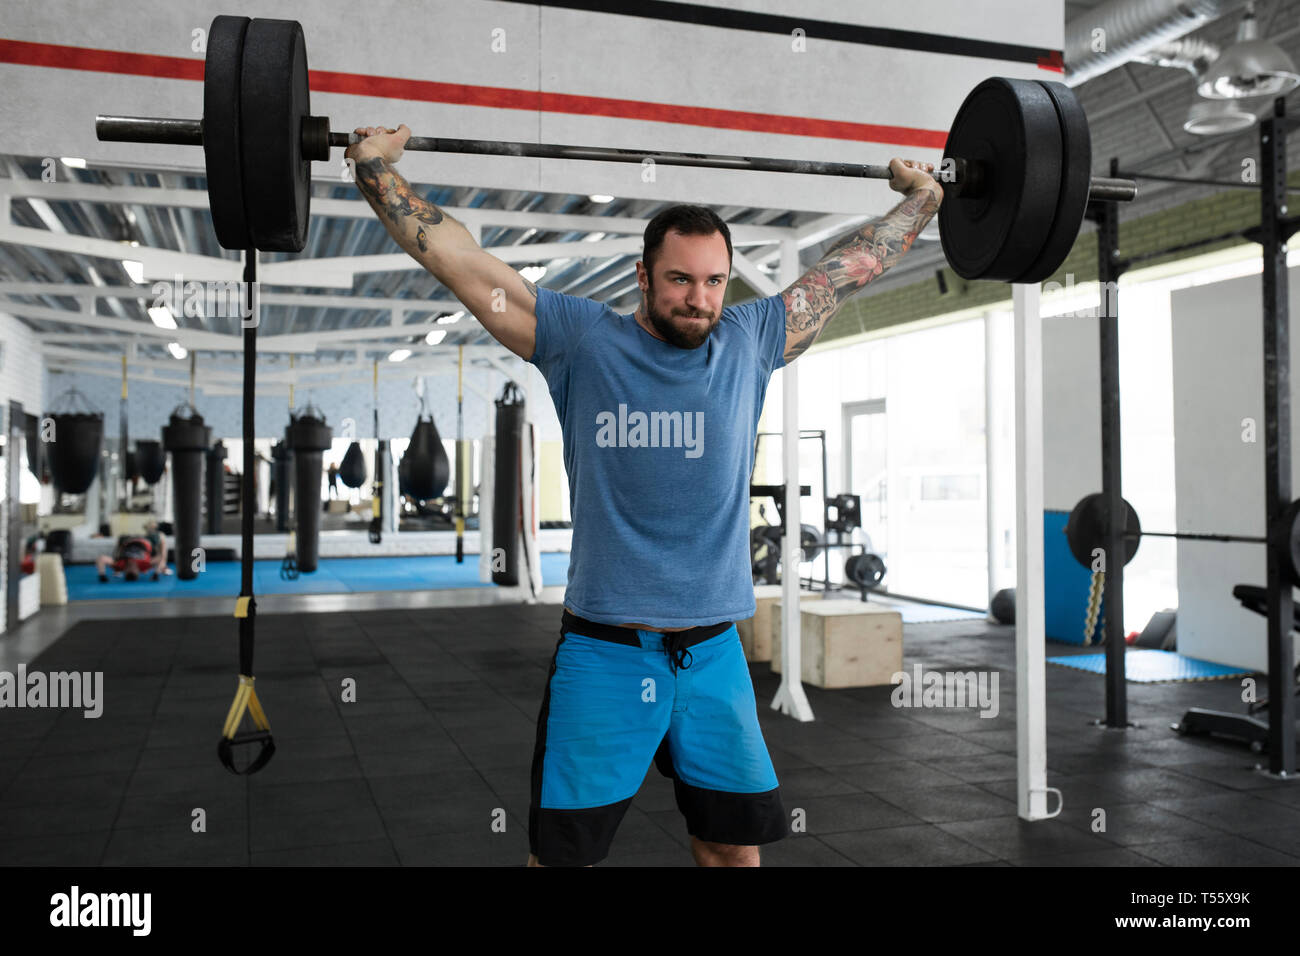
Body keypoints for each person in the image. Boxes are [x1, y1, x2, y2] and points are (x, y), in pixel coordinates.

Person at [348, 125, 942, 867]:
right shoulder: (579, 341)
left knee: (732, 852)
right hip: (605, 655)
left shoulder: (751, 340)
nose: (700, 300)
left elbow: (848, 269)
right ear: (643, 275)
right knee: (563, 860)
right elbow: (460, 261)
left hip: (715, 656)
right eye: (681, 280)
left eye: (715, 281)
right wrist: (374, 168)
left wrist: (922, 200)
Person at [96, 519, 169, 582]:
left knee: (121, 539)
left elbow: (101, 559)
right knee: (161, 537)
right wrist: (156, 573)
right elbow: (160, 557)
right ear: (138, 571)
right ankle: (150, 528)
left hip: (128, 540)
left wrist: (102, 575)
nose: (131, 566)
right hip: (146, 541)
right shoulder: (145, 565)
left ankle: (148, 528)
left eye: (129, 569)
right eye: (133, 569)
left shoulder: (119, 565)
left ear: (125, 571)